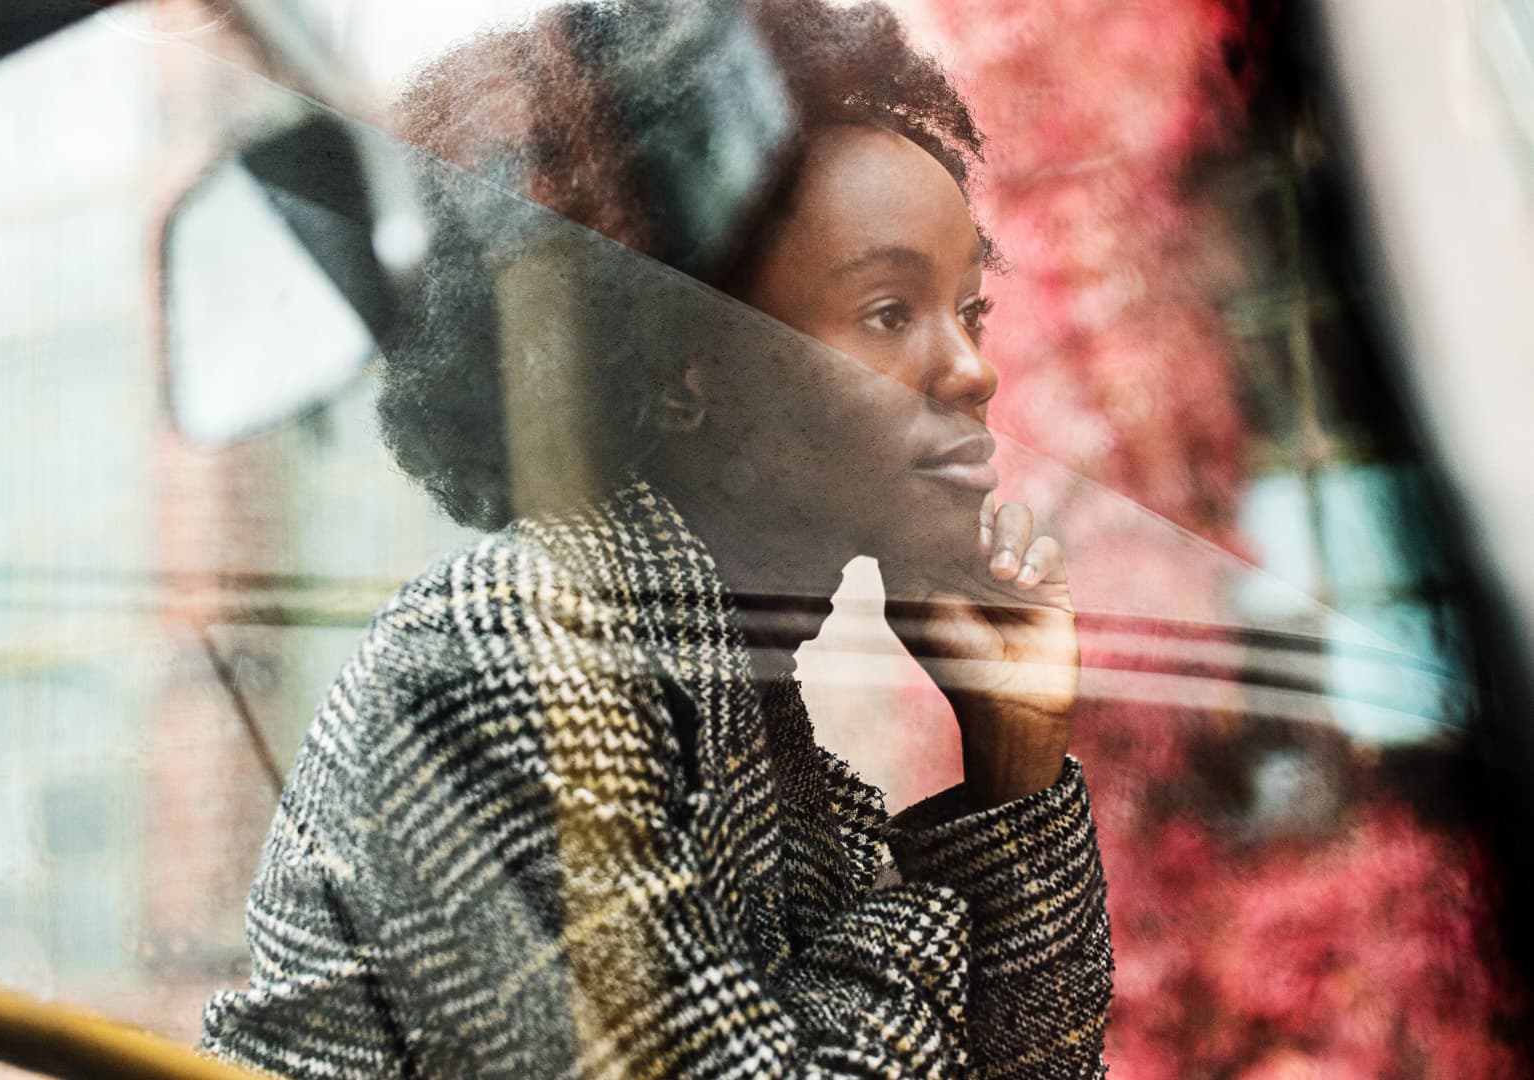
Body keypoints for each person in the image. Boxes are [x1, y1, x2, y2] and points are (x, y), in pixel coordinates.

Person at [200, 0, 1113, 1076]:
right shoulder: (506, 649)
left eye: (970, 309)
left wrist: (1013, 760)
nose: (973, 370)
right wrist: (932, 916)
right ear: (684, 363)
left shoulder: (761, 739)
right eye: (886, 311)